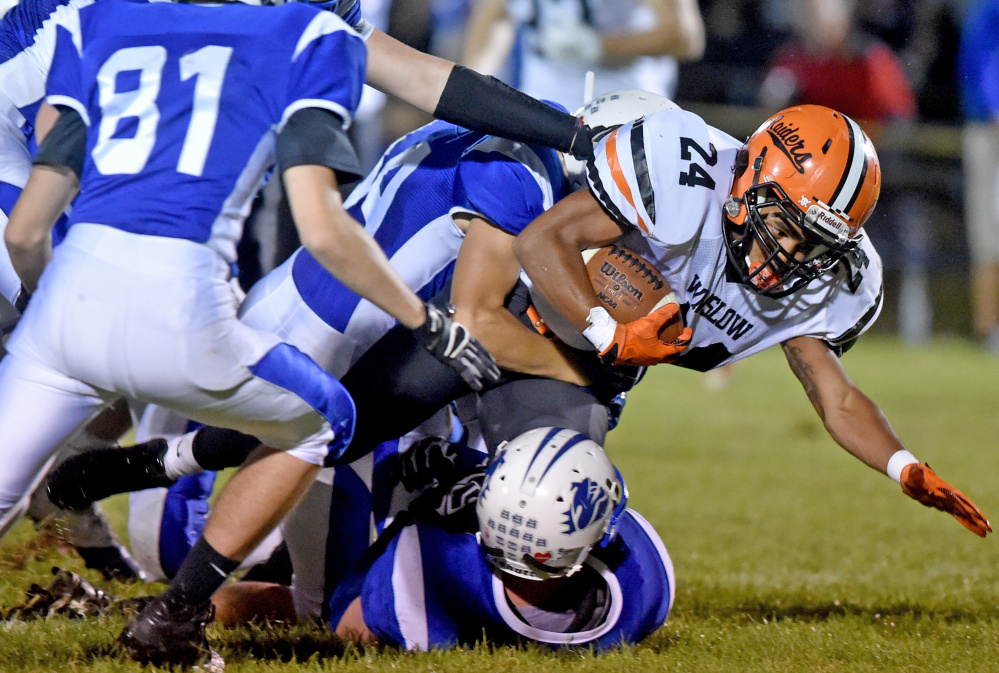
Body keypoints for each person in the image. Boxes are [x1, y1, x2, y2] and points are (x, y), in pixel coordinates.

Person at [0, 1, 501, 669]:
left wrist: (43, 301)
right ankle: (170, 610)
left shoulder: (125, 26)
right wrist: (423, 319)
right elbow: (322, 228)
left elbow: (27, 229)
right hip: (143, 277)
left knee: (59, 422)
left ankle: (87, 491)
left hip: (67, 294)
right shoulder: (295, 38)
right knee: (322, 418)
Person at [511, 97, 992, 539]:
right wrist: (606, 330)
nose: (789, 255)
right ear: (754, 179)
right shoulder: (685, 184)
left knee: (559, 508)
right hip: (512, 301)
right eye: (783, 228)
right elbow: (539, 242)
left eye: (813, 246)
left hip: (583, 375)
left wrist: (903, 467)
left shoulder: (815, 285)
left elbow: (838, 399)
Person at [214, 426, 677, 651]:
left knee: (319, 607)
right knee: (321, 606)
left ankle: (192, 601)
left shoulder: (440, 559)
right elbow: (356, 626)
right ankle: (194, 601)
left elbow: (350, 625)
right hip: (421, 503)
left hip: (435, 502)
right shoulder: (644, 587)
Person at [462, 0, 705, 111]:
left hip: (625, 110)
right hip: (540, 108)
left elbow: (686, 38)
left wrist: (600, 46)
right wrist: (469, 88)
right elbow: (497, 12)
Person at [958, 0, 999, 349]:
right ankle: (989, 328)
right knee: (988, 232)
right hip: (990, 129)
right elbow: (978, 57)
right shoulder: (988, 8)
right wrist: (994, 107)